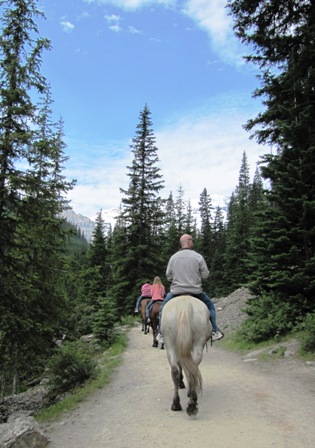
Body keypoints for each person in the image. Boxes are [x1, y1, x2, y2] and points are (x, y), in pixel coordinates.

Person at [157, 234, 224, 344]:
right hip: (196, 292)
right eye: (192, 240)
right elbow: (205, 275)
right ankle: (214, 331)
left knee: (163, 309)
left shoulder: (173, 257)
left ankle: (161, 333)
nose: (193, 242)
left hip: (176, 292)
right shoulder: (198, 257)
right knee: (211, 307)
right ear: (188, 242)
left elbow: (168, 276)